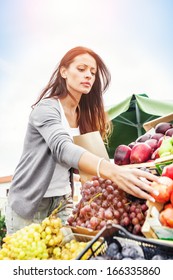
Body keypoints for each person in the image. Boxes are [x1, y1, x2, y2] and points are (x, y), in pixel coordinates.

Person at [5, 46, 159, 234]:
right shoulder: (46, 109)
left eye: (92, 72)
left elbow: (78, 163)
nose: (88, 76)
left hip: (62, 201)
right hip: (29, 203)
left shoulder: (84, 116)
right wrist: (112, 171)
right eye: (81, 69)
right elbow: (62, 149)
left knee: (69, 257)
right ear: (64, 71)